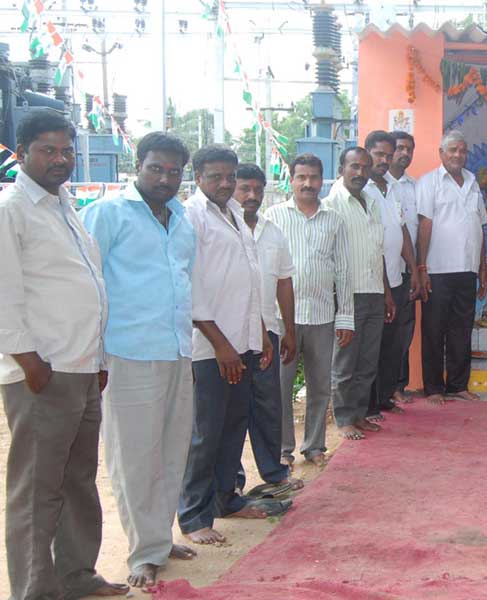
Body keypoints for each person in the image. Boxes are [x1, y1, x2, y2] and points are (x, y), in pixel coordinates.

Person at [0, 110, 128, 598]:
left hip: (81, 367)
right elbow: (5, 291)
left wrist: (95, 360)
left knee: (77, 480)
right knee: (37, 490)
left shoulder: (64, 207)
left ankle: (76, 574)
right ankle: (34, 589)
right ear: (22, 153)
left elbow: (87, 288)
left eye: (67, 150)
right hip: (42, 372)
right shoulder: (12, 208)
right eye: (48, 150)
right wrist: (28, 360)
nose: (60, 159)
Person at [80, 132, 198, 588]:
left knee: (171, 451)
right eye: (156, 168)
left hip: (175, 349)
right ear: (138, 164)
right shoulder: (108, 214)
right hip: (127, 351)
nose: (165, 178)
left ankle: (159, 538)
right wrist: (94, 352)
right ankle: (141, 554)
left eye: (173, 171)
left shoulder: (182, 219)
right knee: (134, 457)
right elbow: (86, 280)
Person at [178, 145, 282, 546]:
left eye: (229, 177)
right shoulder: (192, 217)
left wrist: (259, 332)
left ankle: (226, 499)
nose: (224, 183)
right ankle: (193, 515)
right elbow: (191, 287)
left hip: (244, 342)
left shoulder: (235, 214)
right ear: (198, 176)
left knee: (233, 427)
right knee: (206, 432)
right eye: (215, 176)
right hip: (211, 348)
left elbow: (251, 280)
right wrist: (221, 346)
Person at [266, 154, 353, 466]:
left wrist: (345, 317)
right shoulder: (273, 216)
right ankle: (282, 450)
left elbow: (343, 271)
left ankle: (314, 446)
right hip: (281, 319)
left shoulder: (333, 220)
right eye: (301, 177)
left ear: (323, 180)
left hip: (322, 316)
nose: (307, 183)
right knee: (280, 387)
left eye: (314, 177)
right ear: (291, 179)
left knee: (319, 385)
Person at [233, 163, 304, 494]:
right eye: (244, 188)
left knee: (267, 405)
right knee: (230, 411)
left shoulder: (272, 232)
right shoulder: (222, 229)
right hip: (228, 337)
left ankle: (274, 473)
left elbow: (284, 281)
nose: (251, 196)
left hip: (268, 334)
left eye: (257, 189)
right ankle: (230, 481)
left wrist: (288, 329)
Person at [324, 147, 395, 440]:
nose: (361, 173)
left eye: (365, 168)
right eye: (355, 166)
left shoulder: (371, 202)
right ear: (342, 168)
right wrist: (338, 299)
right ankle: (343, 419)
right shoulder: (331, 204)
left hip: (374, 291)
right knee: (345, 361)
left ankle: (360, 414)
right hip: (348, 295)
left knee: (367, 361)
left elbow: (377, 251)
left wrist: (387, 293)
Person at [415, 130, 487, 404]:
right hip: (437, 269)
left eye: (462, 150)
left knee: (462, 329)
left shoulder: (472, 181)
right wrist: (422, 268)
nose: (458, 155)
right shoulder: (429, 182)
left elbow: (479, 226)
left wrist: (482, 268)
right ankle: (433, 388)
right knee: (434, 330)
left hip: (467, 270)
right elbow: (425, 224)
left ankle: (458, 385)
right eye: (452, 150)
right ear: (441, 153)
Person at [363, 131, 420, 420]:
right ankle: (369, 406)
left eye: (388, 155)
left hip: (397, 278)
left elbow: (403, 232)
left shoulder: (393, 189)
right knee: (373, 346)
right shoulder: (361, 190)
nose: (384, 160)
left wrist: (413, 270)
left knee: (392, 344)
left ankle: (384, 398)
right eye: (380, 154)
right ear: (367, 154)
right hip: (373, 282)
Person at [389, 131, 419, 404]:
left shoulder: (414, 186)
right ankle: (386, 390)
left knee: (405, 330)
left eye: (409, 149)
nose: (404, 153)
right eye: (399, 148)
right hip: (386, 270)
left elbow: (414, 232)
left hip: (408, 270)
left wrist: (418, 270)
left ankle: (399, 385)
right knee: (388, 331)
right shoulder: (378, 185)